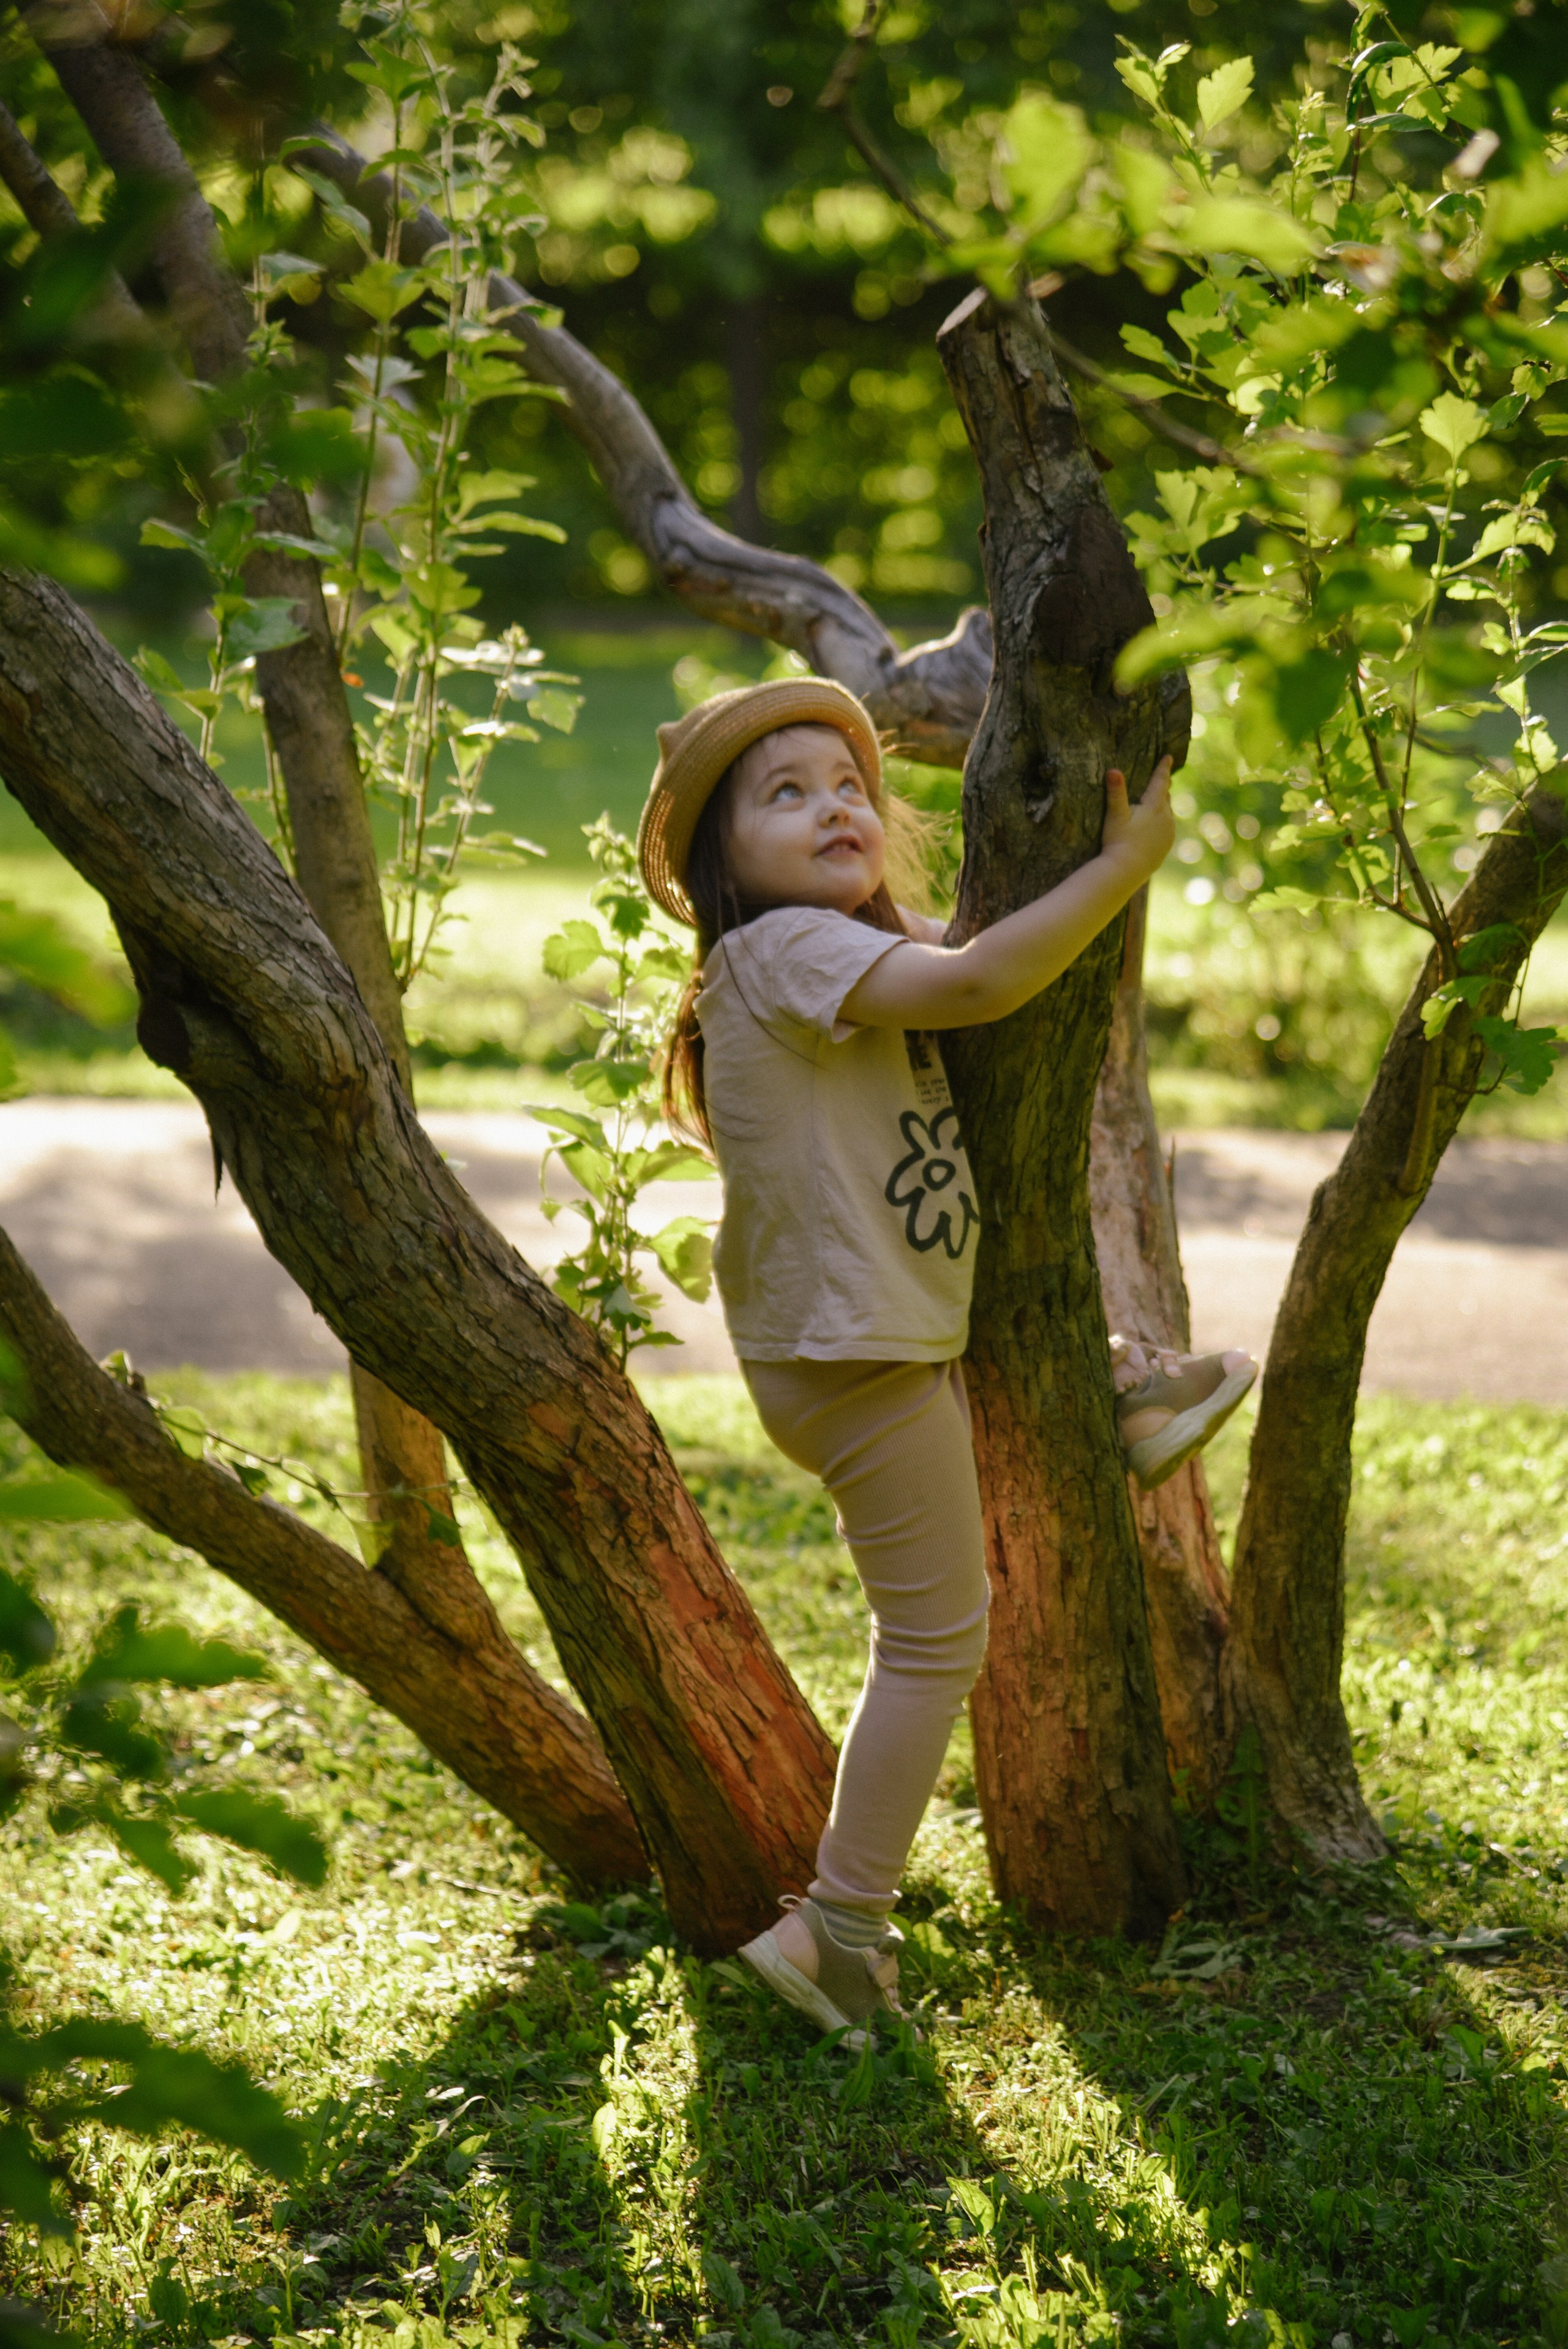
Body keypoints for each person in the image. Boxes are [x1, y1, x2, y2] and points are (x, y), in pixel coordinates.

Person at [636, 676, 1254, 2043]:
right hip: (849, 1354)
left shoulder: (832, 943)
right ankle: (838, 1931)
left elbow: (969, 944)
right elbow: (982, 976)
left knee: (936, 1593)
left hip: (867, 1333)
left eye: (846, 783)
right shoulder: (785, 952)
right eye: (782, 795)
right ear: (719, 864)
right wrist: (1124, 865)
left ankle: (1105, 1388)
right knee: (936, 1636)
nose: (832, 806)